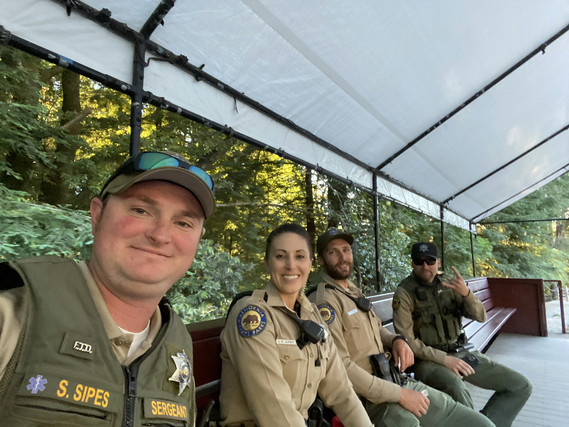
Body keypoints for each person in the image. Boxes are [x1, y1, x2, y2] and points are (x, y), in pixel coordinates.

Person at [0, 150, 216, 426]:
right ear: (97, 215)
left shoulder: (177, 344)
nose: (161, 235)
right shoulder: (14, 313)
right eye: (141, 210)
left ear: (198, 240)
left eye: (183, 223)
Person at [309, 228, 495, 427]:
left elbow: (377, 329)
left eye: (346, 250)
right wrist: (399, 394)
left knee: (480, 423)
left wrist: (396, 340)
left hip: (395, 378)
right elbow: (340, 368)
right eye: (333, 252)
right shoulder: (323, 302)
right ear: (320, 260)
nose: (342, 257)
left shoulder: (352, 291)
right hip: (368, 398)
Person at [219, 223, 373, 427]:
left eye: (300, 256)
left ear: (310, 263)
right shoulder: (252, 315)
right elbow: (273, 407)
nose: (291, 265)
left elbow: (341, 391)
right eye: (280, 256)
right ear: (267, 263)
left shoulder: (313, 316)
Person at [393, 241, 532, 427]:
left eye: (430, 260)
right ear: (412, 263)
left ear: (438, 263)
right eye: (419, 261)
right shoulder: (405, 292)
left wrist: (467, 294)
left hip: (460, 352)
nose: (425, 266)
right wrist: (444, 359)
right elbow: (408, 340)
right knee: (456, 387)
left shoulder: (450, 286)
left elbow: (480, 316)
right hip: (428, 361)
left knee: (520, 386)